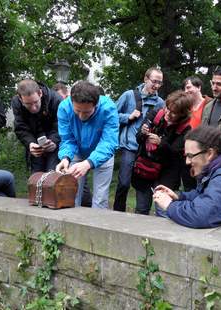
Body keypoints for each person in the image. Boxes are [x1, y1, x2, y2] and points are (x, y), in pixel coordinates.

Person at [56, 80, 119, 209]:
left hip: (103, 153)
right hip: (76, 152)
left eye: (87, 112)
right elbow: (67, 139)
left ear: (96, 105)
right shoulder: (64, 108)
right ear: (71, 101)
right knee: (71, 194)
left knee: (100, 199)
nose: (81, 116)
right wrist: (65, 157)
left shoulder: (109, 108)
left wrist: (88, 163)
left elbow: (109, 142)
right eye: (77, 111)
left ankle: (97, 226)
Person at [132, 90, 196, 215]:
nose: (168, 113)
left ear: (182, 114)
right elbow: (138, 139)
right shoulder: (156, 113)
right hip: (144, 167)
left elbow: (176, 155)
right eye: (167, 108)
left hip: (166, 173)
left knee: (162, 211)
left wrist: (160, 143)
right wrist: (143, 133)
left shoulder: (186, 129)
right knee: (141, 208)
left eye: (174, 112)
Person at [113, 67, 164, 212]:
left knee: (144, 184)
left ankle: (141, 215)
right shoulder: (129, 95)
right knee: (123, 182)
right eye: (154, 81)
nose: (157, 85)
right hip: (129, 146)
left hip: (146, 150)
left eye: (160, 83)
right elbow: (111, 115)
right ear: (146, 79)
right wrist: (127, 117)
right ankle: (118, 212)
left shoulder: (160, 103)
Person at [12, 79, 62, 173]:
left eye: (35, 102)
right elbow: (21, 127)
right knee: (36, 177)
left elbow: (62, 125)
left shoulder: (57, 100)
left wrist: (54, 141)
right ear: (20, 99)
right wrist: (30, 143)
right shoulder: (16, 103)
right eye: (28, 104)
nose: (33, 108)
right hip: (35, 144)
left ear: (40, 93)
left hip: (55, 144)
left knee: (52, 175)